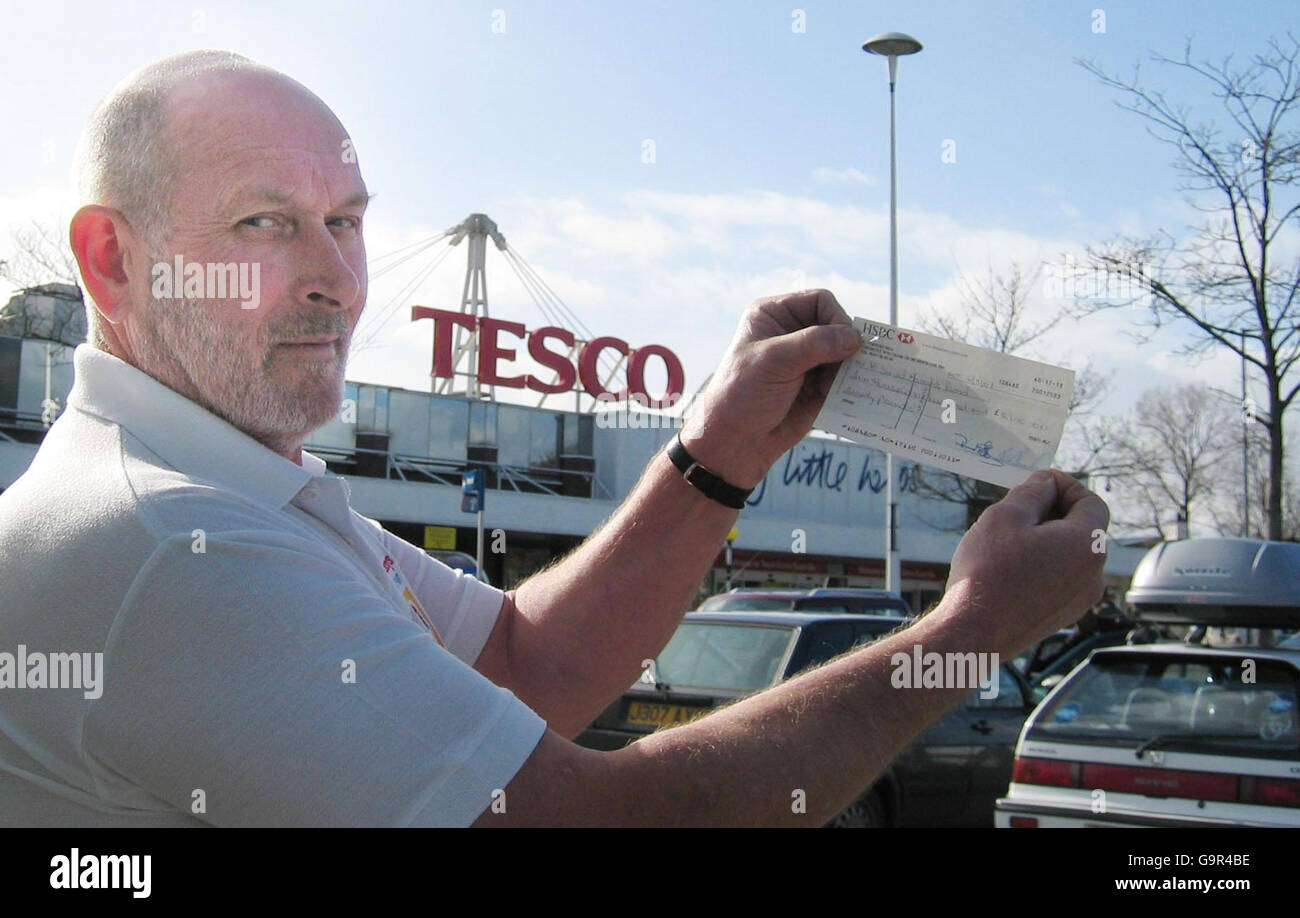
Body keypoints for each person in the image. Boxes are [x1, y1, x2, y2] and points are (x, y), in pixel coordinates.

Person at [0, 51, 1108, 827]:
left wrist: (712, 455)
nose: (337, 280)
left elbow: (530, 665)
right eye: (265, 223)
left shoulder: (230, 494)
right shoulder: (168, 539)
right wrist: (971, 628)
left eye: (345, 220)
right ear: (111, 260)